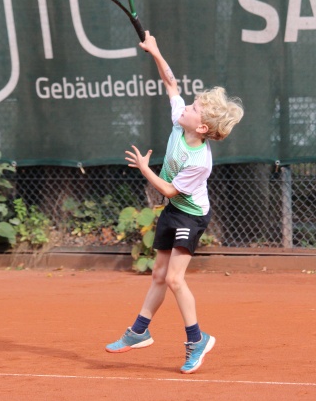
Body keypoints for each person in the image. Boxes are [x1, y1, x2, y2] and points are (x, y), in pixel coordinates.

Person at [105, 31, 244, 374]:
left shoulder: (199, 162)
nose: (186, 107)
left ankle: (197, 340)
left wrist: (144, 168)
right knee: (158, 275)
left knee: (175, 279)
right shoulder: (181, 124)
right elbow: (171, 83)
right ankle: (139, 332)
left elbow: (169, 190)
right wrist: (154, 50)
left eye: (194, 109)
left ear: (203, 127)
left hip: (191, 217)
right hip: (174, 212)